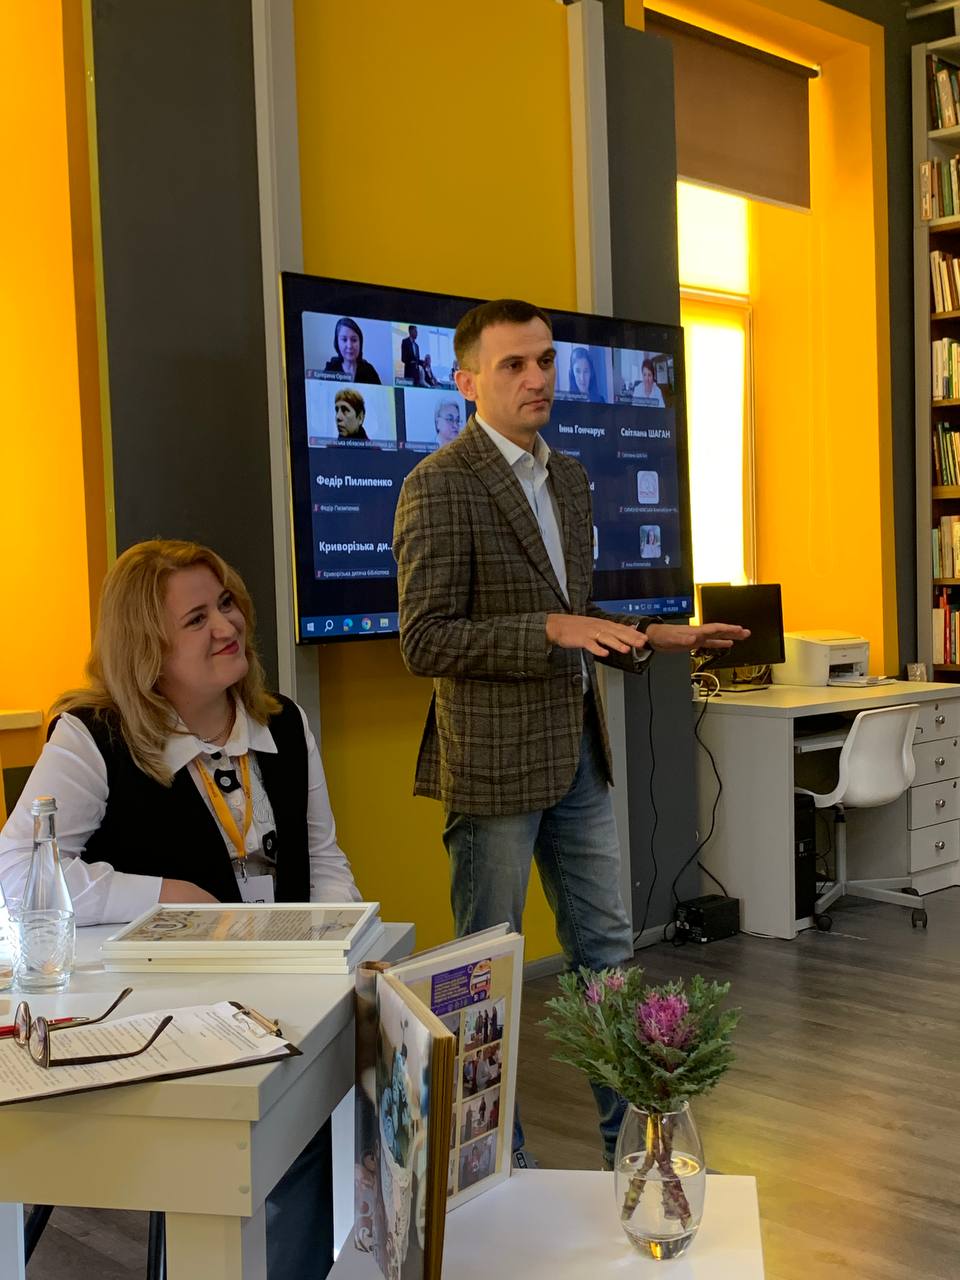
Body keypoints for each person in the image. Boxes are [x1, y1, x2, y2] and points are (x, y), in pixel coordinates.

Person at [392, 298, 748, 1168]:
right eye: (514, 364)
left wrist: (654, 636)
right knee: (489, 976)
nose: (538, 378)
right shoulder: (439, 484)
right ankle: (493, 1166)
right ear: (466, 380)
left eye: (546, 360)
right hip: (493, 768)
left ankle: (636, 1158)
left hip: (578, 754)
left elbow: (576, 612)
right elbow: (425, 639)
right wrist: (549, 629)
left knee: (609, 962)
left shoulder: (572, 479)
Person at [0, 538, 361, 1278]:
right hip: (167, 1015)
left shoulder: (284, 723)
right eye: (196, 620)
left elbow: (323, 861)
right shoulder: (93, 736)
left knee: (344, 1104)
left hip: (285, 994)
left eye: (226, 604)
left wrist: (341, 952)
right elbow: (15, 872)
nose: (226, 627)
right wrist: (163, 893)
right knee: (287, 1132)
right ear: (147, 651)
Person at [323, 316, 381, 384]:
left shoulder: (369, 370)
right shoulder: (330, 370)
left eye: (354, 340)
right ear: (337, 342)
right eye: (344, 340)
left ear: (360, 342)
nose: (349, 346)